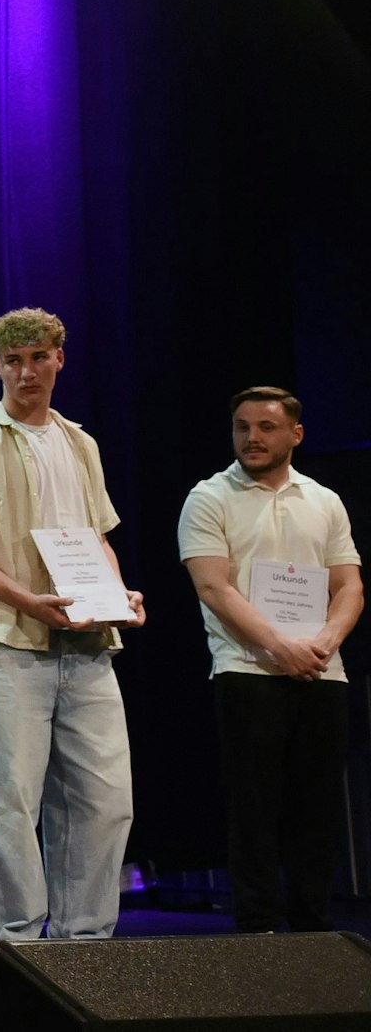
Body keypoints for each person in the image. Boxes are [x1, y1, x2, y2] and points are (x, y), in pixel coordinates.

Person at [0, 307, 146, 945]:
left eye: (39, 356)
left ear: (60, 358)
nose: (28, 371)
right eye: (14, 360)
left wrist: (117, 594)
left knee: (105, 802)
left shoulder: (80, 443)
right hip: (11, 642)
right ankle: (13, 947)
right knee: (9, 805)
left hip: (86, 645)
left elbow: (96, 538)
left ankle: (84, 945)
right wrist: (26, 599)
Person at [178, 387, 361, 933]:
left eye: (265, 427)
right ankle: (259, 929)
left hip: (321, 670)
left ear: (295, 434)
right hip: (247, 670)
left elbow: (349, 584)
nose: (252, 438)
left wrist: (324, 641)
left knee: (319, 808)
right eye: (241, 427)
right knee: (255, 808)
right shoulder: (210, 498)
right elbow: (214, 587)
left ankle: (314, 928)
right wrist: (280, 646)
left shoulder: (324, 500)